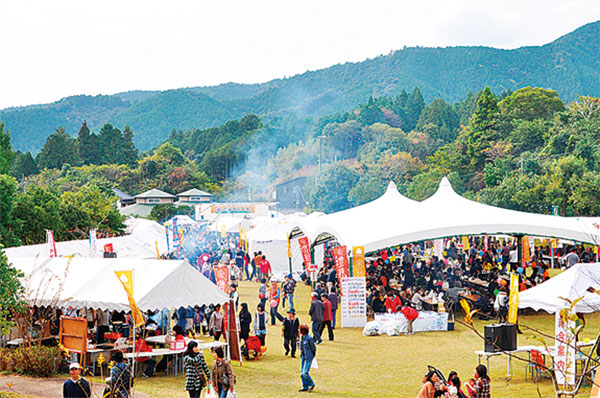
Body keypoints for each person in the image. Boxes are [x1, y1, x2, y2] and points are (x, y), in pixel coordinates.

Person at [299, 324, 316, 392]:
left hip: (309, 357)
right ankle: (305, 386)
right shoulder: (302, 337)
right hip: (303, 356)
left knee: (305, 373)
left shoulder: (309, 338)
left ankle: (311, 384)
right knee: (302, 374)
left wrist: (313, 355)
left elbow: (313, 348)